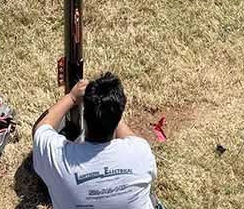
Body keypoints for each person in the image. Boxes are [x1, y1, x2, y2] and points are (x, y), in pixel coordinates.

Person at [32, 71, 161, 209]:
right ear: (120, 113)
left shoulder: (58, 159)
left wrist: (72, 97)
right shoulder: (141, 152)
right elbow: (130, 138)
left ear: (84, 113)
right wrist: (110, 111)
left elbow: (40, 129)